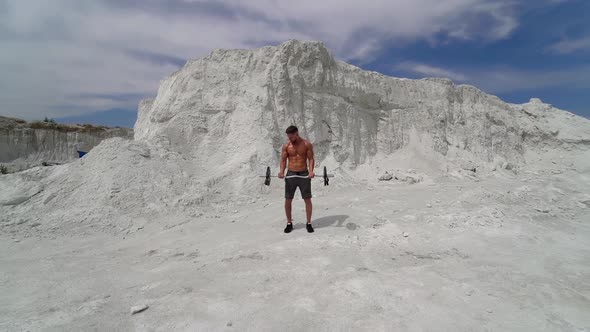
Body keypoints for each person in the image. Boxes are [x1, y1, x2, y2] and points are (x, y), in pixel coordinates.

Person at [279, 125, 315, 233]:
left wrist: (311, 171)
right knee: (288, 199)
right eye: (288, 137)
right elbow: (283, 160)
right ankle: (289, 223)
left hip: (304, 174)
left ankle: (308, 223)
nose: (290, 139)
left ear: (297, 133)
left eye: (291, 137)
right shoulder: (286, 146)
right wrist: (281, 172)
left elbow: (311, 159)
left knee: (307, 199)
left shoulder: (306, 144)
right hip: (291, 174)